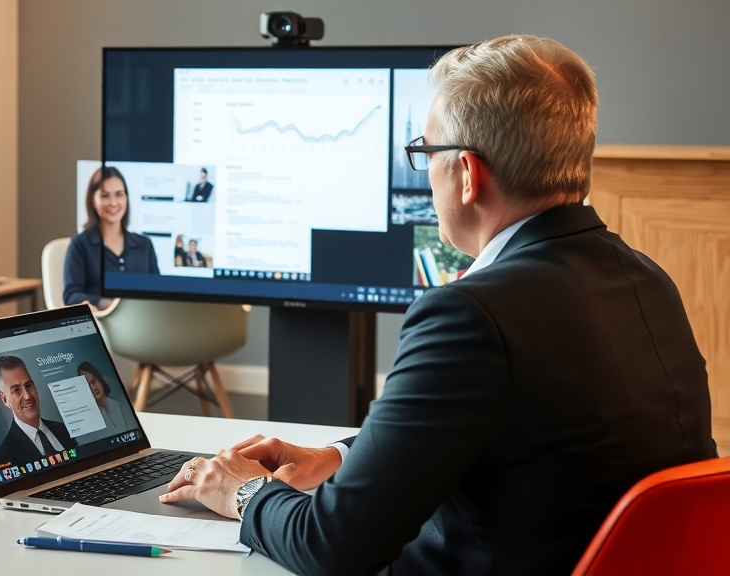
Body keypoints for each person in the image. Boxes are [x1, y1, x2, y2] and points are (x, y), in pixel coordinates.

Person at [160, 35, 716, 575]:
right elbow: (506, 436)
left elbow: (333, 548)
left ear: (468, 174)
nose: (425, 171)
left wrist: (245, 492)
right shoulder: (647, 279)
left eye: (426, 153)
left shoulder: (472, 314)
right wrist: (340, 457)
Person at [64, 166, 160, 312]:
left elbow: (156, 291)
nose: (113, 203)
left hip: (142, 319)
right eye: (105, 196)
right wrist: (104, 304)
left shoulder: (144, 245)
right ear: (92, 200)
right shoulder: (79, 245)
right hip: (101, 320)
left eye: (119, 195)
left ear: (126, 198)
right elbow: (71, 295)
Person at [0, 355, 76, 465]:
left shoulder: (62, 429)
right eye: (16, 390)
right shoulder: (5, 454)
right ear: (5, 399)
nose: (27, 396)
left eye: (28, 386)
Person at [78, 361, 135, 432]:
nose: (93, 387)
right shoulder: (88, 421)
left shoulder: (122, 405)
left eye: (93, 381)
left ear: (100, 380)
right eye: (87, 385)